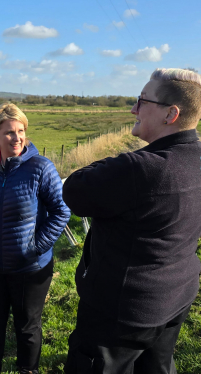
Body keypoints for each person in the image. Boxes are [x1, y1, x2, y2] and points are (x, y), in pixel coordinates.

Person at [62, 68, 201, 374]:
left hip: (121, 312)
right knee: (157, 367)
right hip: (175, 296)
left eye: (142, 101)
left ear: (171, 114)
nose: (133, 109)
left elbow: (73, 190)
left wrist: (120, 161)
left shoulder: (139, 169)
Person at [0, 103, 70, 374]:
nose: (17, 137)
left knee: (27, 326)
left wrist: (37, 247)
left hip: (28, 267)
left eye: (21, 131)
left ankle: (28, 369)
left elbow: (62, 210)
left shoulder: (41, 168)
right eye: (9, 132)